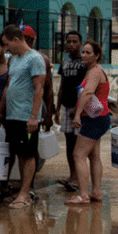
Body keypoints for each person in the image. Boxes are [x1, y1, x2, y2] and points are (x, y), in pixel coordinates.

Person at [0, 25, 45, 209]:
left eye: (7, 44)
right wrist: (0, 111)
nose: (6, 48)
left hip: (26, 116)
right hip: (12, 115)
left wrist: (33, 116)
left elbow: (39, 88)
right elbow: (8, 86)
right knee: (20, 154)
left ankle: (25, 193)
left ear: (16, 40)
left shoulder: (35, 59)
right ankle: (23, 190)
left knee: (28, 154)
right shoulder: (13, 60)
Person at [66, 41, 110, 205]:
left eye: (88, 52)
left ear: (97, 55)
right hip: (98, 117)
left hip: (94, 119)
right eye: (83, 52)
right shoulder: (93, 71)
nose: (84, 55)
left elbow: (88, 93)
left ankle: (83, 195)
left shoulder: (94, 72)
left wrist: (77, 114)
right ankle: (96, 192)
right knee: (93, 155)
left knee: (78, 155)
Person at [54, 31, 87, 192]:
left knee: (79, 144)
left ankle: (80, 177)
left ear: (80, 43)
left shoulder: (84, 62)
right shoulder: (65, 63)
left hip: (79, 109)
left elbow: (87, 88)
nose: (71, 44)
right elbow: (62, 86)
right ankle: (72, 175)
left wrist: (78, 108)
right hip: (66, 107)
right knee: (68, 142)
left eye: (75, 41)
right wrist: (57, 109)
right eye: (69, 41)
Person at [22, 25, 54, 131]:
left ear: (27, 39)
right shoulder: (14, 58)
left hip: (34, 112)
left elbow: (48, 89)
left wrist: (49, 115)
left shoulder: (40, 59)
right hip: (18, 112)